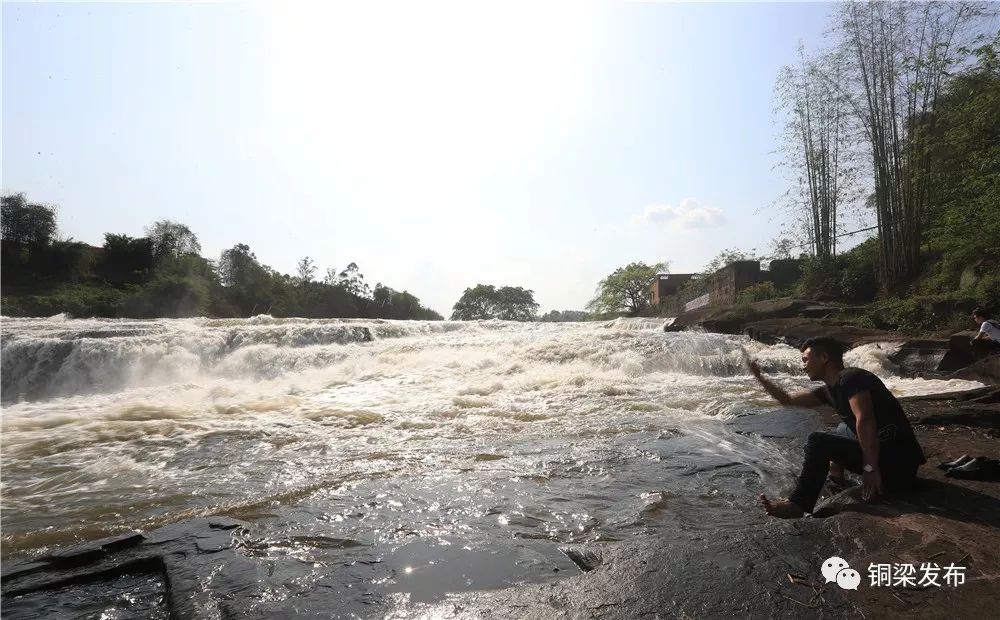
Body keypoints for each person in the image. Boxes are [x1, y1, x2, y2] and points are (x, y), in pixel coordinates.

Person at [747, 337, 926, 518]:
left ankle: (798, 504)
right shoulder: (829, 391)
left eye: (806, 360)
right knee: (841, 429)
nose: (803, 366)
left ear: (824, 357)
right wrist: (760, 377)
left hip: (898, 464)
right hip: (889, 457)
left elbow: (865, 418)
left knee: (817, 441)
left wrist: (870, 469)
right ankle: (837, 481)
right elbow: (787, 400)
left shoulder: (851, 378)